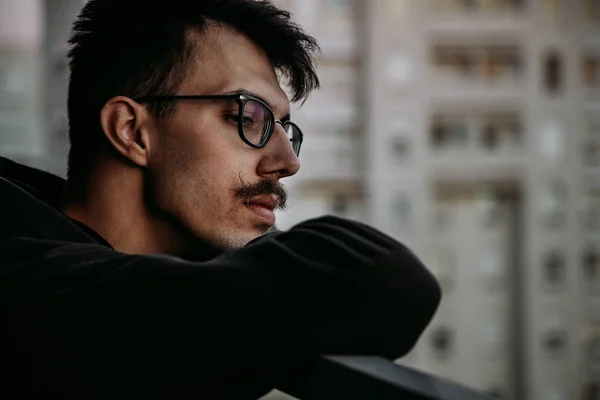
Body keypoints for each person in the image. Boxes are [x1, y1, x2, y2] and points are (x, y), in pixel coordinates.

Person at [0, 0, 441, 398]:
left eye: (287, 131)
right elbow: (379, 280)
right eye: (248, 117)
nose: (287, 161)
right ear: (131, 131)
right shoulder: (25, 283)